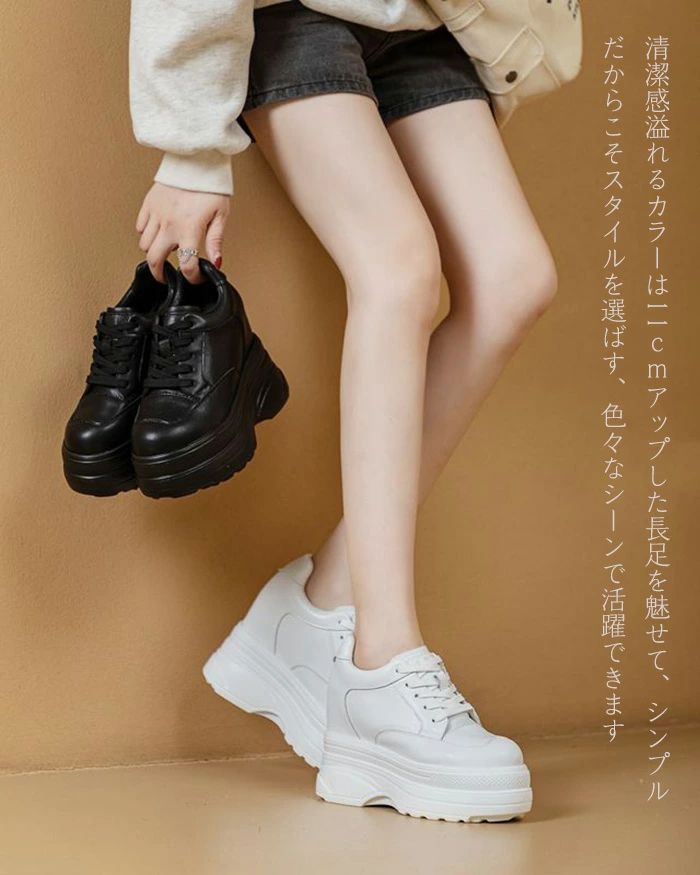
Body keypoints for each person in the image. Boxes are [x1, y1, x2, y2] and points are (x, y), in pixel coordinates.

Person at [130, 0, 557, 822]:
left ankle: (322, 601)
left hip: (424, 22)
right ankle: (379, 666)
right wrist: (190, 146)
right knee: (398, 270)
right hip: (295, 17)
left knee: (515, 280)